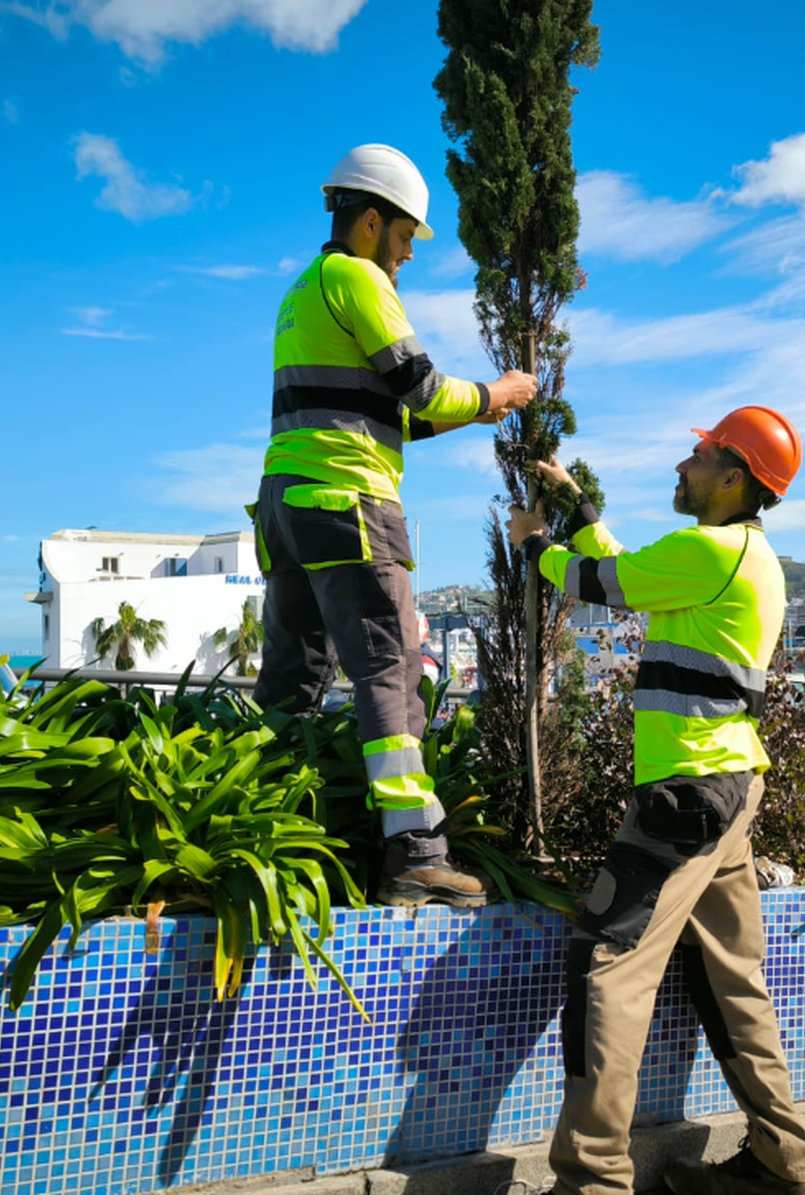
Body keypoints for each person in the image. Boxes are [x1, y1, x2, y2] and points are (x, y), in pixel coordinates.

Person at [504, 406, 805, 1195]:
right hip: (732, 791)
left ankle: (593, 1179)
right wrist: (581, 506)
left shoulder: (706, 549)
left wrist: (536, 543)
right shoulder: (747, 555)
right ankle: (782, 1163)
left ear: (733, 476)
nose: (684, 466)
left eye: (700, 455)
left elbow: (595, 582)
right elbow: (632, 565)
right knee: (731, 979)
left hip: (685, 798)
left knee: (607, 961)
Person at [250, 144, 537, 908]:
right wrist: (497, 390)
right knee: (391, 673)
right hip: (349, 503)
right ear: (370, 221)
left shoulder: (302, 290)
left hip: (287, 503)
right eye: (407, 235)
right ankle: (415, 852)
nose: (409, 253)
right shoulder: (357, 276)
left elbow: (392, 416)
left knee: (292, 679)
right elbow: (425, 389)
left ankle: (261, 826)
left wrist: (481, 407)